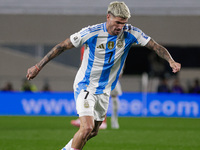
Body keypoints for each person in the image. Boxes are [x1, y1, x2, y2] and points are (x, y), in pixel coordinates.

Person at [26, 1, 181, 150]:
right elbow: (62, 46)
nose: (121, 27)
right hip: (85, 85)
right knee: (86, 128)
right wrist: (38, 67)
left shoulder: (131, 32)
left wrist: (171, 61)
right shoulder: (91, 32)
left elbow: (155, 46)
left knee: (93, 131)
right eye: (118, 22)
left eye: (124, 23)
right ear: (108, 17)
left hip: (105, 89)